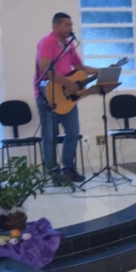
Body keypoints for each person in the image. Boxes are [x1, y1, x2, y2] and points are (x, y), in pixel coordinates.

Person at [35, 12, 99, 182]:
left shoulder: (69, 45)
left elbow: (80, 67)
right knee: (49, 136)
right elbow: (46, 70)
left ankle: (68, 169)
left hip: (66, 98)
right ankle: (53, 173)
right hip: (46, 95)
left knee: (73, 132)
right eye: (66, 25)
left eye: (71, 25)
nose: (70, 28)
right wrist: (68, 83)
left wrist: (100, 71)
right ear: (56, 26)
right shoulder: (47, 42)